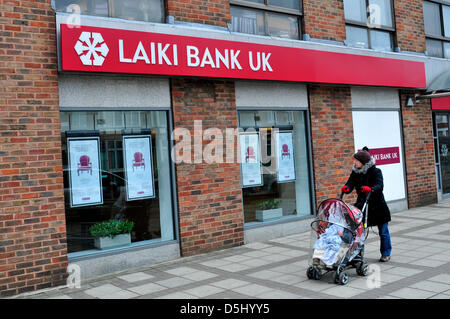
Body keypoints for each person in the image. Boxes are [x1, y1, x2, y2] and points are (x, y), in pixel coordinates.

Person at [341, 147, 392, 262]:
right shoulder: (356, 172)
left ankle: (386, 253)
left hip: (378, 205)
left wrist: (371, 189)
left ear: (363, 162)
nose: (354, 163)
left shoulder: (376, 171)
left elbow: (380, 185)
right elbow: (350, 183)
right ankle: (357, 253)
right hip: (362, 204)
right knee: (357, 231)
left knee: (383, 232)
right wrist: (347, 188)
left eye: (356, 161)